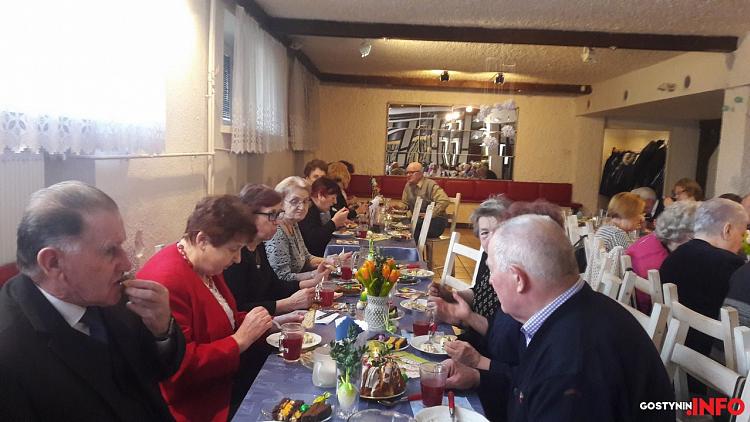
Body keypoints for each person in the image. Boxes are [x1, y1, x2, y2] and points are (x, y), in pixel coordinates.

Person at [442, 215, 675, 421]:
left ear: (518, 279)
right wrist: (478, 378)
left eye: (492, 270)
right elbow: (530, 386)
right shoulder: (571, 309)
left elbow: (551, 387)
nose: (491, 280)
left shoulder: (573, 361)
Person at [0, 181, 184, 421]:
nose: (127, 264)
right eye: (110, 251)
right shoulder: (9, 354)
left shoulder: (112, 295)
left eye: (121, 247)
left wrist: (162, 331)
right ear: (53, 263)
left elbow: (159, 370)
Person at [137, 195, 274, 422]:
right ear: (202, 240)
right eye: (233, 249)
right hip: (197, 405)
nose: (238, 259)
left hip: (223, 381)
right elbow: (180, 367)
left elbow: (226, 318)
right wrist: (239, 341)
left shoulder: (203, 265)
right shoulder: (167, 281)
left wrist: (269, 325)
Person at [660, 198, 747, 359]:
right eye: (741, 234)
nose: (741, 243)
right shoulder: (730, 265)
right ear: (727, 230)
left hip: (673, 345)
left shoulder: (676, 254)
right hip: (709, 357)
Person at [429, 196, 511, 347]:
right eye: (484, 233)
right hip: (470, 339)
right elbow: (477, 291)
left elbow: (507, 336)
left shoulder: (515, 271)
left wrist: (465, 317)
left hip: (489, 350)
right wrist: (449, 295)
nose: (491, 239)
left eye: (498, 231)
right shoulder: (487, 256)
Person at [625, 201, 698, 312]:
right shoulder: (665, 263)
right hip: (649, 314)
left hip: (634, 307)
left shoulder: (651, 239)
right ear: (688, 234)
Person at [266, 176, 330, 282]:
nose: (302, 207)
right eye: (294, 201)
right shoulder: (276, 231)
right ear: (280, 203)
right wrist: (314, 274)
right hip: (288, 290)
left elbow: (306, 258)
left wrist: (331, 261)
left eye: (305, 201)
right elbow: (282, 278)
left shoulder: (293, 223)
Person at [299, 177, 351, 257]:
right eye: (333, 198)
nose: (335, 202)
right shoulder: (308, 209)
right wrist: (334, 223)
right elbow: (315, 240)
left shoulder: (317, 209)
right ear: (320, 195)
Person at [400, 162, 451, 238]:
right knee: (399, 224)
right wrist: (398, 209)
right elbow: (405, 203)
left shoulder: (430, 184)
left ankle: (413, 245)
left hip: (436, 221)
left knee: (413, 228)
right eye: (407, 173)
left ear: (420, 173)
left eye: (412, 173)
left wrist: (430, 214)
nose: (408, 175)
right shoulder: (408, 186)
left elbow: (444, 201)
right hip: (417, 220)